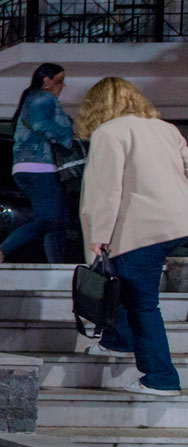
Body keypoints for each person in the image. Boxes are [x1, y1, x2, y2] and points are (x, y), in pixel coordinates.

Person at [77, 77, 188, 397]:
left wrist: (99, 235)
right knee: (124, 284)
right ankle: (118, 341)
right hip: (177, 221)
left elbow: (106, 189)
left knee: (142, 303)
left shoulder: (108, 133)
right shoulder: (166, 128)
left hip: (141, 226)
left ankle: (160, 377)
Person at [0, 63, 73, 265]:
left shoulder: (30, 100)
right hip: (40, 165)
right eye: (60, 80)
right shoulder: (44, 98)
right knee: (48, 219)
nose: (63, 86)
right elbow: (44, 127)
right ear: (47, 81)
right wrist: (68, 136)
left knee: (56, 221)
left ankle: (56, 266)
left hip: (25, 166)